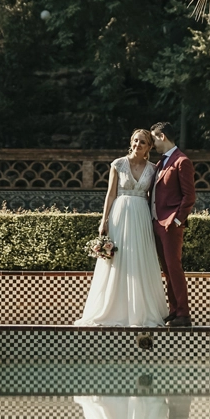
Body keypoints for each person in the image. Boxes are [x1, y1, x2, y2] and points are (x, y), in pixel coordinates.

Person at [75, 129, 169, 327]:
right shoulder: (118, 164)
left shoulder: (153, 169)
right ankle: (113, 309)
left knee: (139, 259)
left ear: (149, 147)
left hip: (141, 215)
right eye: (135, 140)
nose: (137, 144)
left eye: (142, 142)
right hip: (120, 214)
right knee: (118, 260)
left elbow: (154, 198)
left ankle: (140, 311)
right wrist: (104, 220)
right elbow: (110, 194)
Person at [150, 122, 196, 327]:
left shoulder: (181, 161)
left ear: (161, 137)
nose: (152, 144)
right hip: (157, 223)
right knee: (167, 270)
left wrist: (176, 220)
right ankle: (174, 310)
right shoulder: (161, 163)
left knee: (174, 268)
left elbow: (189, 196)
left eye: (153, 139)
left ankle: (183, 314)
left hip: (170, 225)